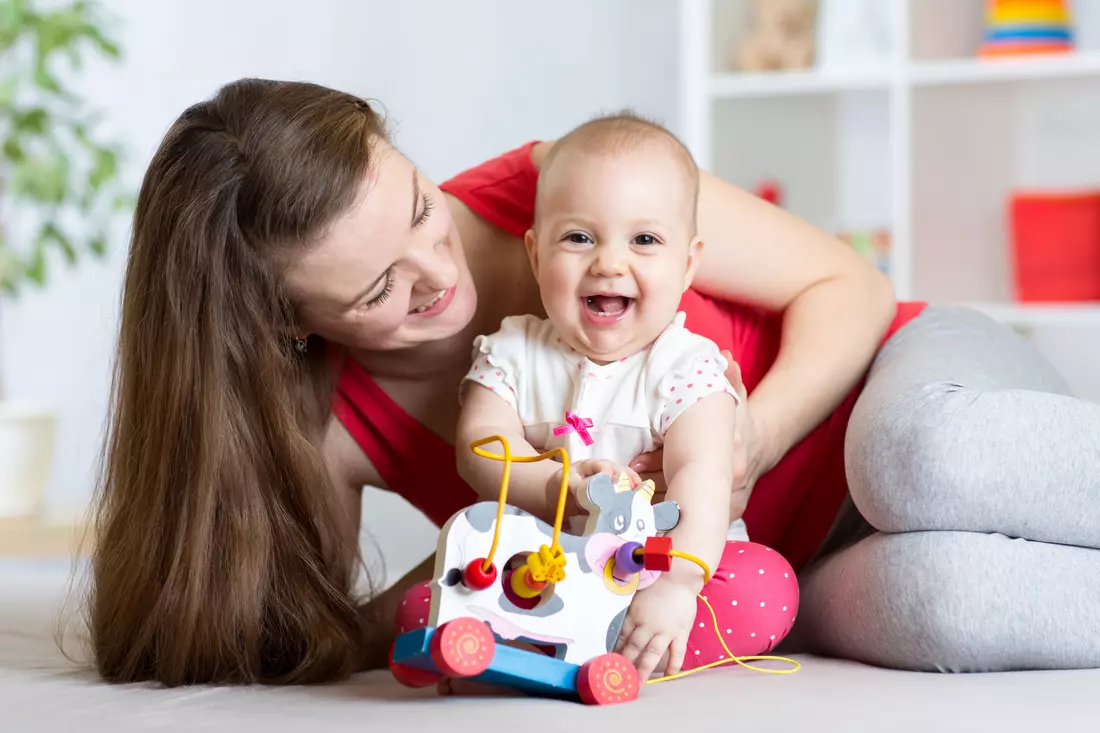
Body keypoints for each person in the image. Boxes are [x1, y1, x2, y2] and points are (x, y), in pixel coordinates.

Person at [87, 77, 1099, 689]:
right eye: (378, 290)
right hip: (778, 566)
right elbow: (311, 629)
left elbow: (850, 285)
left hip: (897, 384)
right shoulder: (331, 426)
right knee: (944, 604)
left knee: (909, 461)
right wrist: (472, 591)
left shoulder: (564, 185)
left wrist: (748, 443)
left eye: (415, 208)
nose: (435, 276)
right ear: (283, 325)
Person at [444, 113, 797, 679]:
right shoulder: (512, 352)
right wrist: (557, 484)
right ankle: (558, 641)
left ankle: (598, 645)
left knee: (764, 588)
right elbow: (480, 446)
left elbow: (702, 477)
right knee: (435, 598)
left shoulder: (687, 367)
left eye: (644, 240)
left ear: (686, 265)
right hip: (547, 571)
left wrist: (679, 584)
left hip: (660, 572)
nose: (609, 262)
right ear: (536, 256)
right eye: (579, 237)